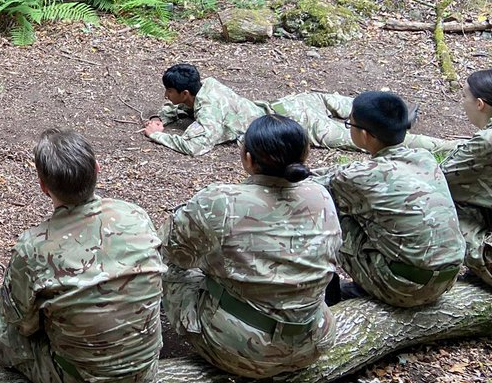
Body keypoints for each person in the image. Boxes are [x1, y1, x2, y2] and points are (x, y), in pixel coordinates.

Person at [0, 129, 164, 383]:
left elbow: (18, 322)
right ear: (97, 169)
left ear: (43, 186)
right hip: (145, 372)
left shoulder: (34, 246)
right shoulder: (136, 216)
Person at [163, 115, 342, 378]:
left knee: (175, 270)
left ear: (248, 158)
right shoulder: (321, 195)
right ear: (304, 155)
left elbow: (172, 250)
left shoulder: (221, 201)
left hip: (243, 352)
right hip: (312, 342)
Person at [317, 91, 464, 307]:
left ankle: (329, 296)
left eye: (350, 124)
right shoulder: (424, 158)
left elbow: (313, 185)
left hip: (406, 288)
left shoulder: (357, 176)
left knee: (327, 206)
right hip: (447, 279)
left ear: (365, 135)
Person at [144, 62, 454, 156]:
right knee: (353, 105)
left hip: (290, 122)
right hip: (292, 103)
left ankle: (448, 147)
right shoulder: (206, 84)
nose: (165, 95)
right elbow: (184, 108)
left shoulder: (209, 108)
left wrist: (157, 135)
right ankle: (399, 113)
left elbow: (196, 144)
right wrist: (165, 114)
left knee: (381, 137)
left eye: (168, 91)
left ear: (183, 92)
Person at [441, 70, 492, 285]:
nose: (463, 103)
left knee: (435, 210)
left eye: (464, 97)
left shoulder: (486, 142)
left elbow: (437, 179)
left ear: (480, 104)